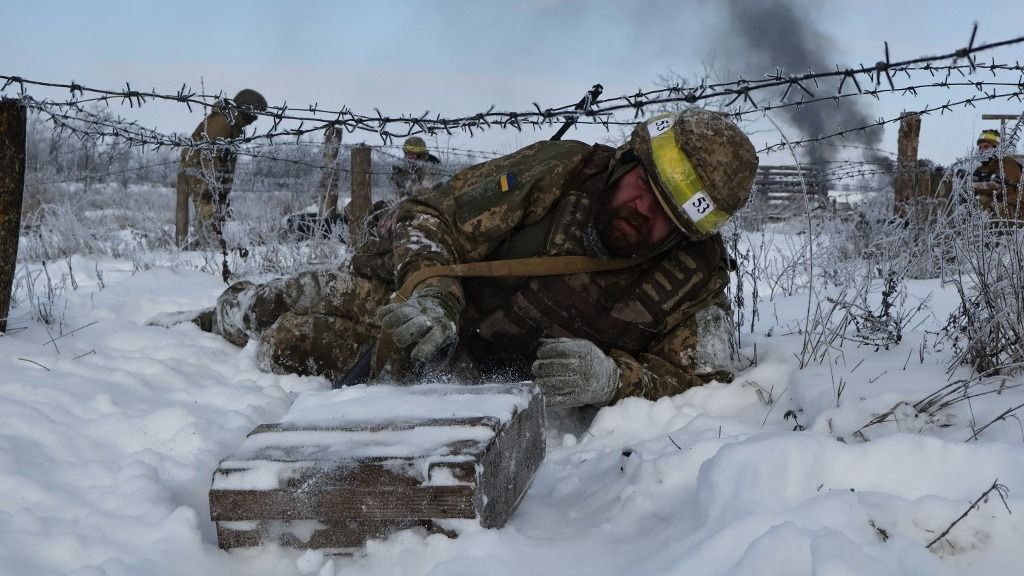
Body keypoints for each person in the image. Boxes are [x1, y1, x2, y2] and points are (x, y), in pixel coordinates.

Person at [199, 108, 758, 408]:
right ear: (630, 159)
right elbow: (432, 216)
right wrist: (434, 298)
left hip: (473, 376)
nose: (641, 209)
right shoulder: (562, 171)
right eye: (642, 184)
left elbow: (702, 378)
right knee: (292, 296)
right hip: (426, 312)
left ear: (686, 232)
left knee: (294, 341)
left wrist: (613, 380)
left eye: (664, 213)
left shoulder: (695, 279)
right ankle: (221, 314)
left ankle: (257, 328)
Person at [176, 89, 267, 245]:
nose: (255, 119)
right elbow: (208, 154)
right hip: (197, 167)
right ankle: (200, 246)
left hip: (212, 170)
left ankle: (207, 243)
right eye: (254, 114)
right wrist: (211, 185)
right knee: (206, 206)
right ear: (246, 110)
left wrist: (224, 185)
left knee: (215, 207)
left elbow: (227, 158)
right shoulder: (222, 122)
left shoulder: (235, 125)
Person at [971, 129, 1022, 219]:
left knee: (981, 199)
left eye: (986, 147)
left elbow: (995, 186)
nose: (981, 150)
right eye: (980, 147)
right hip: (994, 210)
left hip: (1013, 212)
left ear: (995, 148)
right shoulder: (981, 168)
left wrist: (970, 185)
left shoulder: (1006, 163)